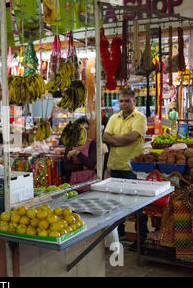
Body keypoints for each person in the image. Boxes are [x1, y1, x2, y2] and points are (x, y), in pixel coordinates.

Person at [102, 88, 148, 250]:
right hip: (114, 167)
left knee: (137, 207)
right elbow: (105, 137)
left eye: (127, 101)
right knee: (115, 205)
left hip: (132, 170)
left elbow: (132, 137)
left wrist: (114, 139)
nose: (123, 104)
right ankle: (119, 234)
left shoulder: (140, 118)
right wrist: (121, 139)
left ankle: (141, 240)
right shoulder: (114, 117)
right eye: (121, 101)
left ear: (133, 101)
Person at [63, 117, 97, 190]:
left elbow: (91, 164)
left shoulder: (92, 144)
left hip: (90, 183)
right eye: (82, 129)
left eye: (87, 129)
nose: (85, 131)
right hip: (74, 183)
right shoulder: (70, 144)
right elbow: (67, 166)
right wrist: (83, 167)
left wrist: (77, 153)